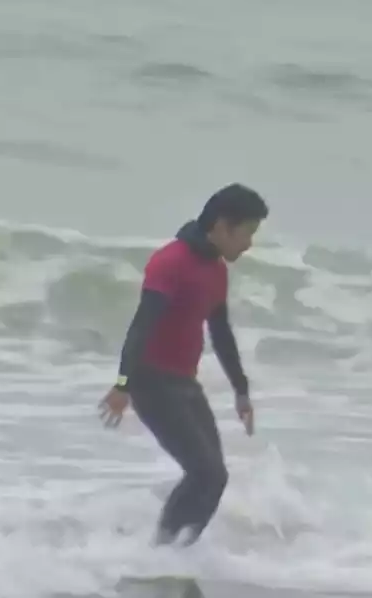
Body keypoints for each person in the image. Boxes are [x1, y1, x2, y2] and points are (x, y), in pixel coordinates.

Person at [97, 183, 268, 547]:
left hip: (183, 384)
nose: (249, 244)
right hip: (151, 382)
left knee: (214, 477)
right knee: (205, 473)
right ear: (223, 226)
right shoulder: (170, 262)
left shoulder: (216, 270)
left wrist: (241, 390)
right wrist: (123, 384)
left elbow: (220, 332)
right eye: (247, 233)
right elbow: (141, 326)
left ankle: (174, 552)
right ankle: (161, 551)